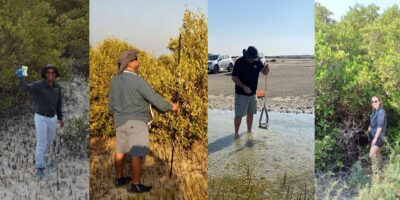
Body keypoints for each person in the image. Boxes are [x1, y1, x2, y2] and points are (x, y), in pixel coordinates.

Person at [108, 49, 179, 193]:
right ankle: (135, 184)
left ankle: (119, 177)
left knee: (120, 149)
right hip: (136, 121)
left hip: (119, 121)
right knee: (137, 153)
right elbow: (154, 98)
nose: (138, 61)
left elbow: (111, 102)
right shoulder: (138, 80)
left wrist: (115, 115)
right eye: (137, 59)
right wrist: (171, 106)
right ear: (131, 63)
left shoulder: (115, 79)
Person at [15, 64, 64, 178]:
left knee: (49, 141)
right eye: (48, 72)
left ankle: (40, 160)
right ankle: (39, 168)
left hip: (53, 118)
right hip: (41, 117)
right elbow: (25, 88)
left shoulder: (57, 87)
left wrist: (60, 118)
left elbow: (59, 104)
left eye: (52, 72)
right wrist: (21, 77)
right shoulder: (39, 85)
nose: (50, 74)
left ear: (55, 74)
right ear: (44, 74)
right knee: (41, 143)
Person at [232, 46, 270, 139]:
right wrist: (244, 87)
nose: (253, 60)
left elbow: (263, 72)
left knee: (251, 113)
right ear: (247, 56)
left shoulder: (257, 61)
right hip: (241, 94)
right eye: (251, 59)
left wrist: (266, 70)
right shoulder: (239, 62)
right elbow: (234, 77)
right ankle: (236, 133)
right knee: (239, 115)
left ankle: (249, 131)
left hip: (253, 94)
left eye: (254, 58)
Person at [367, 95, 386, 166]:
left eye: (376, 101)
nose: (374, 103)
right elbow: (373, 122)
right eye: (372, 101)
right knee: (378, 152)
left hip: (378, 136)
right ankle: (381, 168)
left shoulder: (381, 111)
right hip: (372, 135)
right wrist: (370, 127)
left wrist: (375, 139)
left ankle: (375, 171)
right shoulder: (374, 111)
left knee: (371, 155)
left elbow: (380, 126)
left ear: (379, 102)